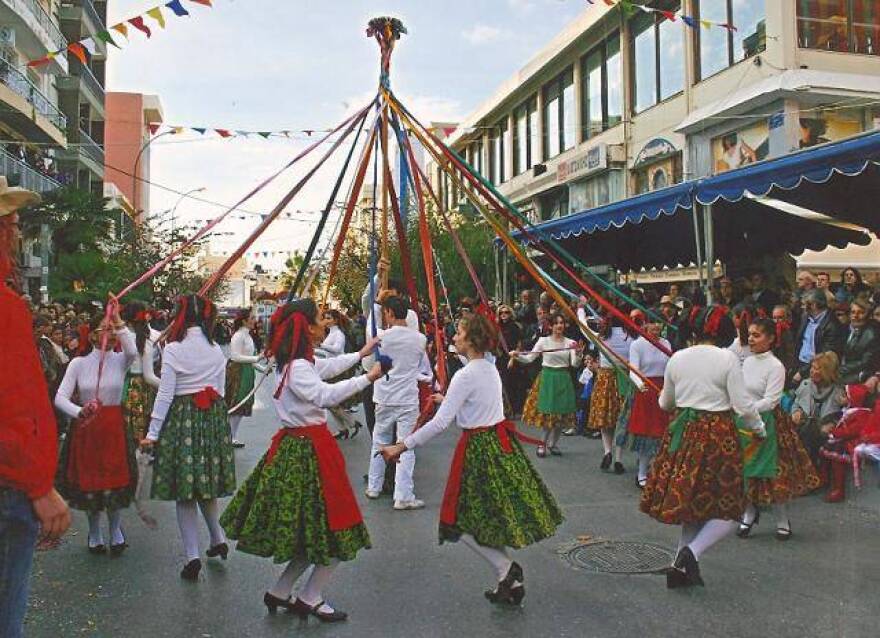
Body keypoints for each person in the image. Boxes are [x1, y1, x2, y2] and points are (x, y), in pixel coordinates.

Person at [380, 314, 563, 605]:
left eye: (459, 333)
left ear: (472, 339)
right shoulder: (488, 368)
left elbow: (441, 424)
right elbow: (472, 400)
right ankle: (506, 579)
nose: (454, 337)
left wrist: (401, 446)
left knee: (460, 520)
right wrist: (449, 400)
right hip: (499, 447)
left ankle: (506, 569)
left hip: (479, 451)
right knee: (488, 516)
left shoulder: (466, 375)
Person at [220, 299, 383, 622]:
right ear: (306, 327)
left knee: (313, 533)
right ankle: (310, 596)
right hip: (311, 451)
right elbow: (324, 395)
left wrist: (361, 355)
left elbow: (327, 369)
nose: (325, 323)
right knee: (336, 528)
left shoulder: (292, 362)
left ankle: (282, 591)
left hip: (300, 448)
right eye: (320, 319)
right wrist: (369, 377)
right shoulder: (298, 367)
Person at [640, 306, 765, 589]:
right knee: (730, 506)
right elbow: (743, 406)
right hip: (717, 436)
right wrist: (760, 429)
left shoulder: (677, 359)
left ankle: (678, 567)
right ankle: (690, 553)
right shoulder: (728, 359)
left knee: (691, 506)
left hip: (684, 435)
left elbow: (665, 404)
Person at [0, 184, 71, 638]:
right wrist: (38, 485)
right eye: (11, 221)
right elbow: (13, 407)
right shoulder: (6, 310)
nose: (16, 231)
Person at [142, 295, 236, 581]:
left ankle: (192, 555)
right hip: (211, 420)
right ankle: (217, 538)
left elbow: (166, 393)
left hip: (183, 420)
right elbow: (219, 391)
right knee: (204, 484)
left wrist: (152, 433)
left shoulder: (174, 349)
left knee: (185, 492)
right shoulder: (215, 350)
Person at [55, 310, 138, 555]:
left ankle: (115, 530)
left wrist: (120, 322)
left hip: (113, 428)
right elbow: (60, 397)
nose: (110, 333)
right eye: (104, 329)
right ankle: (94, 531)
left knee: (115, 480)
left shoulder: (121, 359)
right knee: (91, 482)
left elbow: (132, 349)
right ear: (91, 335)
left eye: (113, 330)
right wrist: (79, 411)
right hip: (88, 428)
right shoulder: (78, 364)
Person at [735, 319, 820, 541]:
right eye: (750, 334)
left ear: (771, 338)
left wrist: (747, 408)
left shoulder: (775, 366)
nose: (751, 339)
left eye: (757, 335)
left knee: (773, 473)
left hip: (768, 423)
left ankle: (783, 519)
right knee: (748, 470)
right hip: (745, 421)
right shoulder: (747, 361)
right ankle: (749, 513)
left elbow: (772, 400)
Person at [366, 296, 430, 509]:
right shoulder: (420, 339)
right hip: (407, 398)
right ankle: (402, 495)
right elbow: (420, 366)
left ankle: (374, 487)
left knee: (379, 439)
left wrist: (376, 303)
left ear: (390, 313)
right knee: (406, 445)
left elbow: (371, 327)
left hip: (384, 395)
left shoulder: (382, 337)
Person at [512, 312, 582, 458]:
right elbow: (530, 358)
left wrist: (579, 353)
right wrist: (517, 355)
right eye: (556, 323)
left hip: (563, 377)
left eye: (562, 323)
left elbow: (575, 364)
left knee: (561, 414)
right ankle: (542, 444)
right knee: (548, 415)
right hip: (548, 377)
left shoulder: (570, 343)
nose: (559, 326)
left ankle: (553, 444)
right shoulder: (543, 341)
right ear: (550, 326)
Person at [626, 318, 671, 489]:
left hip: (663, 390)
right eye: (653, 322)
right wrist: (639, 384)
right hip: (646, 389)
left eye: (659, 323)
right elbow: (634, 369)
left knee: (662, 433)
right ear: (646, 324)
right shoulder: (638, 344)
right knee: (647, 433)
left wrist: (670, 388)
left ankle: (659, 470)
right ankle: (642, 473)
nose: (656, 326)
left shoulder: (666, 343)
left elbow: (670, 367)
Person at [586, 313, 633, 472]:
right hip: (623, 379)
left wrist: (579, 309)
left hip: (605, 378)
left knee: (605, 418)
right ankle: (619, 459)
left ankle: (607, 451)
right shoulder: (630, 337)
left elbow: (583, 327)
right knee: (621, 419)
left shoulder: (602, 337)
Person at [791, 351, 848, 468]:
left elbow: (843, 416)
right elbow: (796, 403)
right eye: (812, 367)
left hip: (824, 433)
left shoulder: (838, 391)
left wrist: (832, 424)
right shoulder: (805, 384)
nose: (811, 371)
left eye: (816, 369)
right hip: (804, 428)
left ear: (827, 372)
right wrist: (795, 412)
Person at [121, 303, 161, 446]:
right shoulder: (145, 340)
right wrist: (168, 387)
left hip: (118, 387)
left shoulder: (117, 336)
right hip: (139, 388)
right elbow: (149, 377)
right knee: (139, 427)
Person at [320, 308, 363, 440]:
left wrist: (321, 346)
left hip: (338, 371)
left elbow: (338, 350)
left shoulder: (338, 334)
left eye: (329, 318)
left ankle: (351, 423)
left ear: (335, 320)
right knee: (330, 403)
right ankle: (343, 428)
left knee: (333, 403)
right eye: (325, 318)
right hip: (331, 369)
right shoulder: (330, 334)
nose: (326, 321)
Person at [226, 308, 263, 448]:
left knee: (242, 405)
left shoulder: (248, 336)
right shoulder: (238, 336)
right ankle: (229, 436)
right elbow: (235, 356)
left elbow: (251, 361)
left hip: (247, 372)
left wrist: (264, 368)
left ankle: (232, 436)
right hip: (237, 373)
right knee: (237, 403)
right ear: (244, 320)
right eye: (252, 318)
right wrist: (257, 357)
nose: (255, 321)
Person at [793, 289, 844, 383]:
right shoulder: (805, 317)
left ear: (814, 305)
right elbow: (799, 342)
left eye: (804, 304)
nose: (802, 307)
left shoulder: (833, 325)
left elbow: (825, 354)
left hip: (816, 368)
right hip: (799, 362)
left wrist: (802, 372)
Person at [838, 298, 880, 385]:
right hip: (842, 371)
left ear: (868, 315)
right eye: (853, 312)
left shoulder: (872, 335)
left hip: (860, 375)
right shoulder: (843, 329)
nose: (855, 316)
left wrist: (839, 370)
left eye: (861, 312)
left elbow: (865, 362)